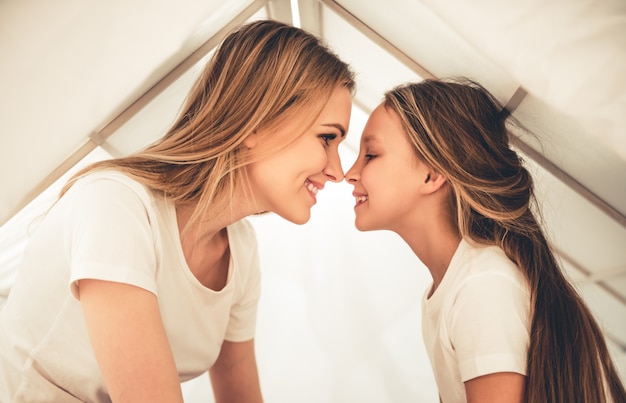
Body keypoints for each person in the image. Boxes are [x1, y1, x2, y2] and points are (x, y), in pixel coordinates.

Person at [0, 20, 355, 403]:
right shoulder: (116, 206)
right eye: (326, 138)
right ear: (257, 122)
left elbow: (238, 385)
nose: (337, 171)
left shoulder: (241, 249)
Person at [345, 78, 626, 403]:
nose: (350, 172)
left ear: (432, 174)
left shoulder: (480, 285)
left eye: (371, 154)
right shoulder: (449, 289)